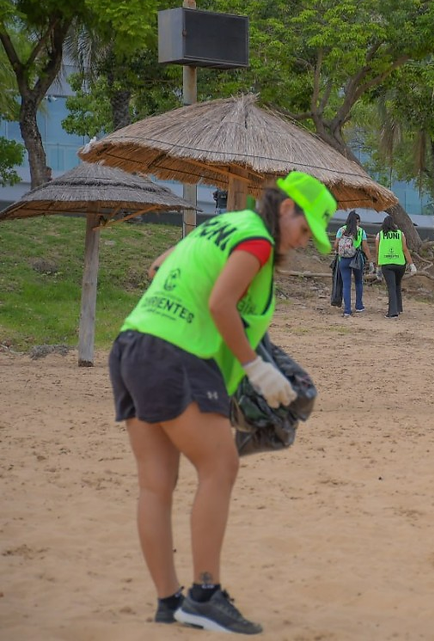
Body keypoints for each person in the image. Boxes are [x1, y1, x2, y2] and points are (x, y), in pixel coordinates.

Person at [108, 171, 337, 634]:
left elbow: (159, 268)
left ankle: (170, 601)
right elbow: (219, 304)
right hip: (176, 355)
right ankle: (206, 594)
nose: (305, 239)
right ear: (285, 207)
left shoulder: (223, 225)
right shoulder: (257, 241)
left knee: (156, 483)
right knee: (221, 466)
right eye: (304, 227)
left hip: (133, 345)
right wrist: (254, 366)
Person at [374, 215, 417, 318]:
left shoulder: (380, 235)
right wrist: (411, 264)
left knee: (391, 287)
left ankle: (392, 312)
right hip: (400, 263)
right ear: (394, 224)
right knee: (397, 284)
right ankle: (398, 307)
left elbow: (378, 252)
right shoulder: (400, 234)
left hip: (387, 263)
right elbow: (405, 249)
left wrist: (378, 267)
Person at [334, 211, 373, 317]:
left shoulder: (341, 230)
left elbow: (335, 245)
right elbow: (365, 248)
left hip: (343, 259)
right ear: (358, 221)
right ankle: (359, 306)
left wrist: (340, 252)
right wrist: (371, 261)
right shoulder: (360, 231)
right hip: (356, 259)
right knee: (358, 282)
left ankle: (347, 310)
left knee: (346, 285)